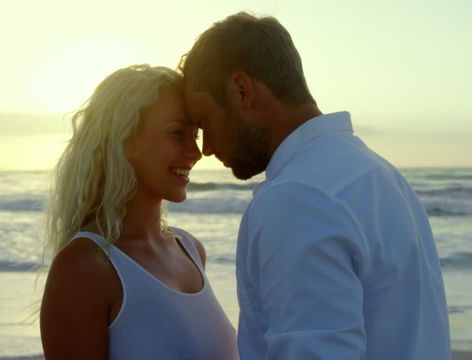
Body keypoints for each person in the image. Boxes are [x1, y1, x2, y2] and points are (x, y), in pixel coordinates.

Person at [179, 12, 451, 360]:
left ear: (241, 91)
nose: (207, 148)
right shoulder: (379, 174)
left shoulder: (297, 200)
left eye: (204, 123)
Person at [39, 64, 239, 360]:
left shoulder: (191, 250)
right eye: (177, 133)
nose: (195, 152)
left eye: (194, 134)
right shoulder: (85, 268)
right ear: (123, 141)